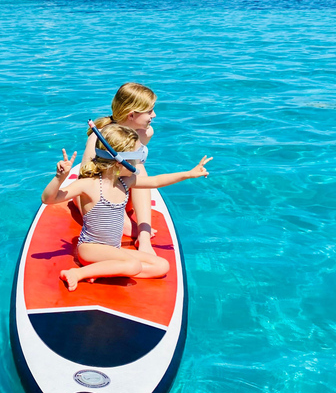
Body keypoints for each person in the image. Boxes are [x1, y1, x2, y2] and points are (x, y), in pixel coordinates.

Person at [43, 124, 211, 290]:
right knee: (133, 265)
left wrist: (189, 173)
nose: (138, 163)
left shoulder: (124, 182)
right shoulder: (88, 185)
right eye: (136, 158)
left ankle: (105, 271)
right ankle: (78, 273)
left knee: (162, 265)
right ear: (119, 162)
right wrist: (59, 178)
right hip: (91, 250)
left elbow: (156, 181)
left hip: (112, 251)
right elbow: (48, 199)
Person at [80, 83, 158, 255]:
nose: (154, 115)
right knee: (137, 169)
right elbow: (84, 178)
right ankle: (123, 223)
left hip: (124, 190)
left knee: (139, 168)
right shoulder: (99, 136)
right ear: (132, 114)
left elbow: (132, 170)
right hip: (99, 195)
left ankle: (144, 238)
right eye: (149, 111)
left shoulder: (145, 132)